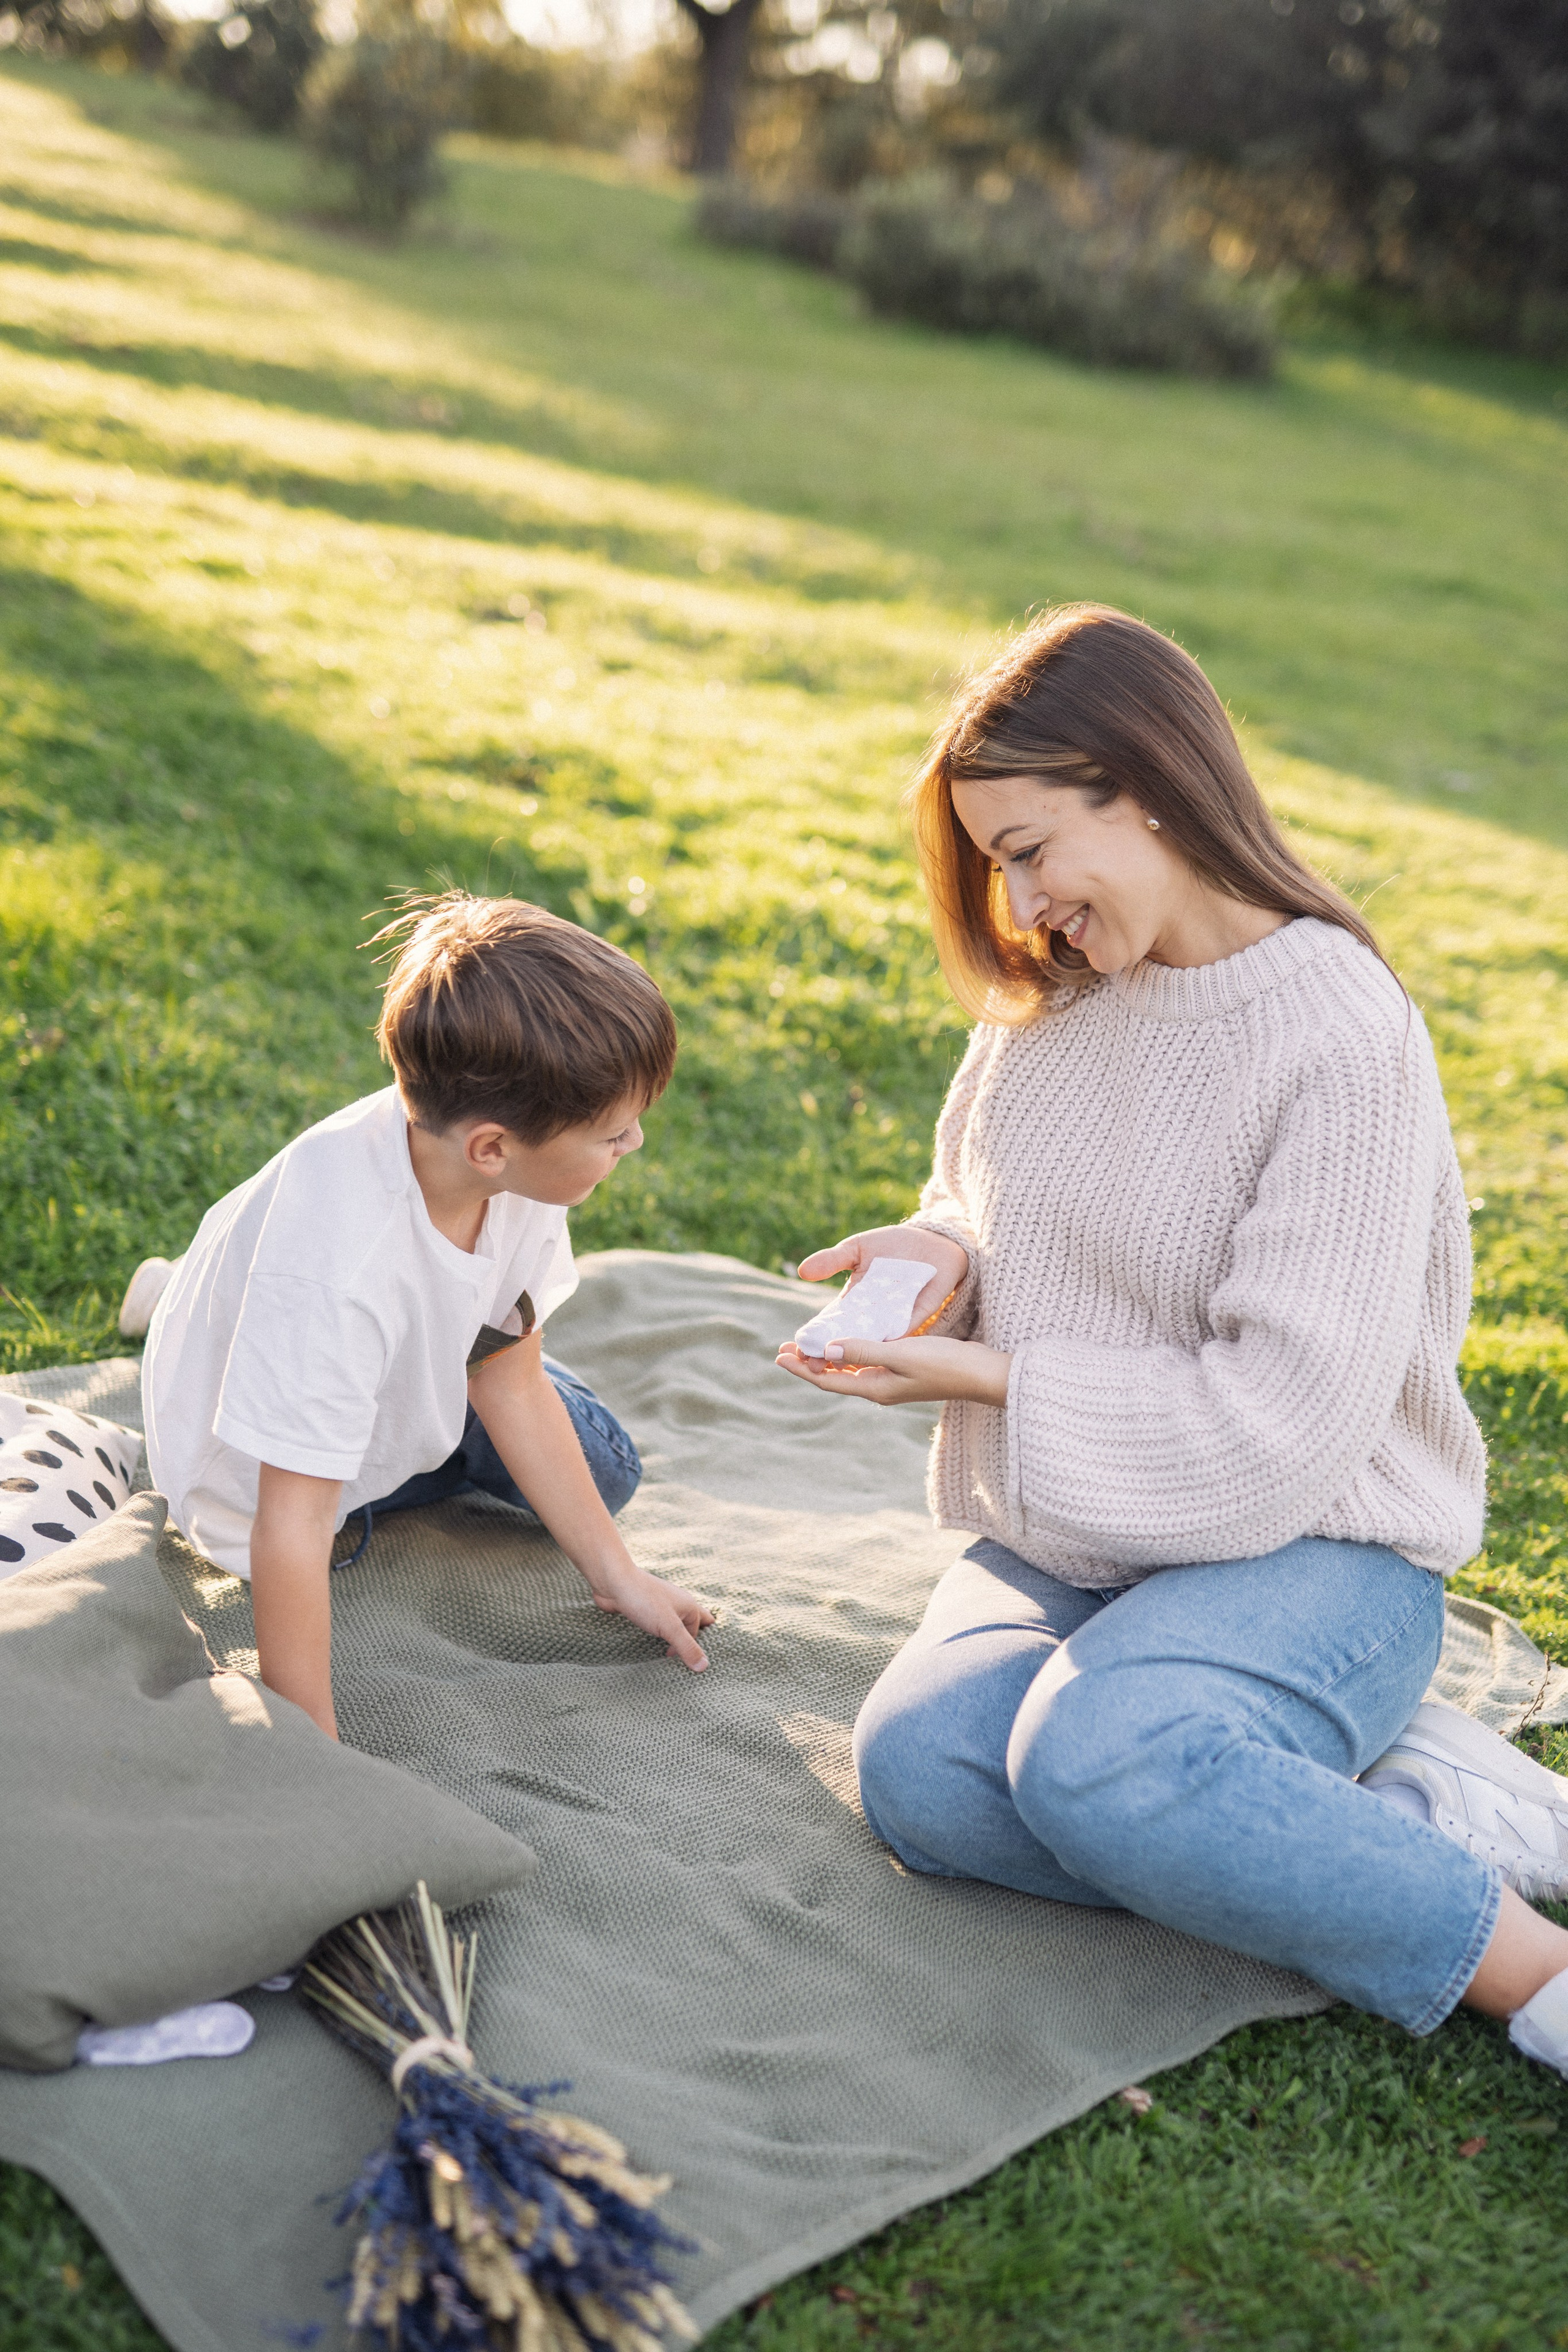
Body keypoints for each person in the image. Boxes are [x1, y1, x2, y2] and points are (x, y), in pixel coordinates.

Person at [777, 605, 1568, 2082]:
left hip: (1313, 1547)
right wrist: (938, 1255)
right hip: (1084, 1536)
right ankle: (1346, 1818)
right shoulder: (1059, 993)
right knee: (927, 1779)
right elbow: (984, 1192)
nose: (1015, 904)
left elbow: (1273, 1427)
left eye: (1024, 848)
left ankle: (1525, 1965)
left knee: (1095, 1759)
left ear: (1139, 783)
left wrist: (989, 1377)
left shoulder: (1338, 1034)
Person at [141, 892, 713, 1739]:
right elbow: (291, 1523)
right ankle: (203, 1299)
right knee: (607, 1454)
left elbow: (508, 1376)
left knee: (600, 1478)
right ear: (492, 1147)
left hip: (366, 1376)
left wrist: (618, 1575)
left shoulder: (500, 1168)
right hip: (265, 1483)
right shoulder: (339, 1272)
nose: (635, 1148)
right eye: (615, 1135)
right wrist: (312, 1740)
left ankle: (188, 1288)